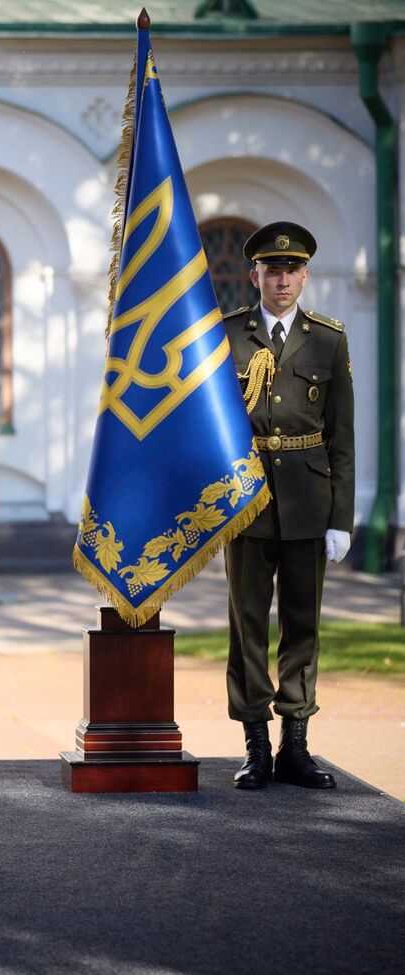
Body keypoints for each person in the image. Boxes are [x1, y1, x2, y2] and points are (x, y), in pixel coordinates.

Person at [222, 221, 353, 791]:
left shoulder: (328, 339)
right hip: (247, 500)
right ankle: (256, 745)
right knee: (247, 625)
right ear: (255, 276)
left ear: (305, 276)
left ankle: (294, 745)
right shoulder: (228, 334)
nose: (282, 279)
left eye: (292, 270)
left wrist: (341, 518)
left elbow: (342, 436)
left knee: (303, 624)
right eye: (272, 270)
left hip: (307, 500)